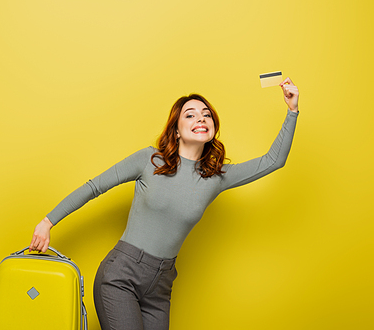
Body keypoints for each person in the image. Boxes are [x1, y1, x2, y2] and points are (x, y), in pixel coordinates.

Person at [29, 78, 299, 330]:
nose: (201, 118)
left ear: (214, 126)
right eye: (190, 115)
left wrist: (292, 110)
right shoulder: (151, 161)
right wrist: (47, 221)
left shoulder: (216, 178)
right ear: (177, 129)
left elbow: (273, 161)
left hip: (161, 286)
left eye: (206, 114)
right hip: (121, 276)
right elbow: (95, 187)